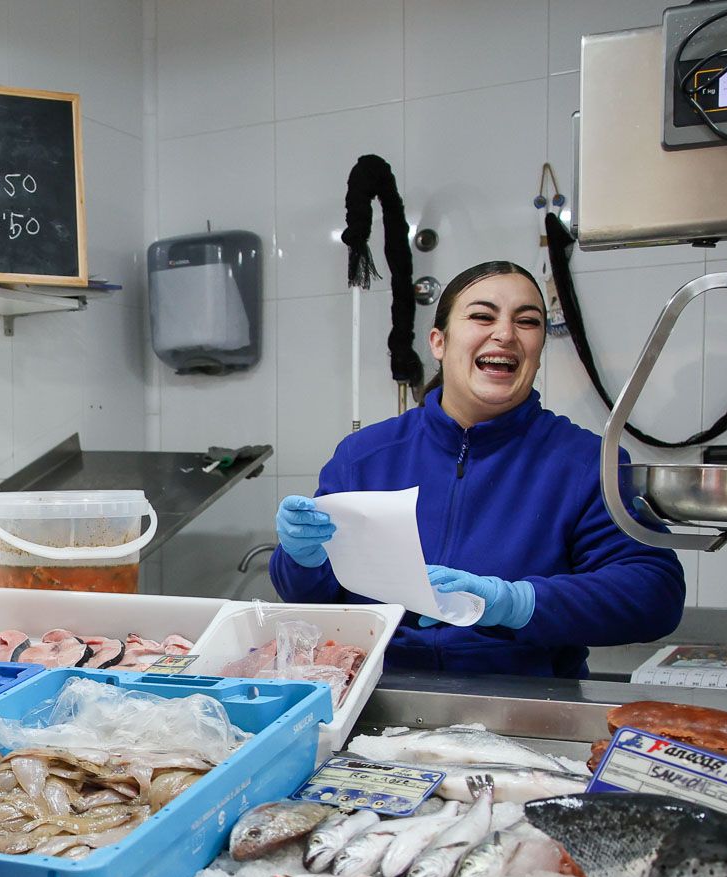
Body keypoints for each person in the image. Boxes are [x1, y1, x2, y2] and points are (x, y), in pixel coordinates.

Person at [269, 260, 684, 677]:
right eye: (483, 316)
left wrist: (515, 602)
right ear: (438, 342)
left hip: (523, 704)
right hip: (375, 694)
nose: (505, 334)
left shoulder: (584, 463)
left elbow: (654, 595)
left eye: (527, 322)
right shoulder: (366, 455)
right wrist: (300, 557)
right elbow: (311, 596)